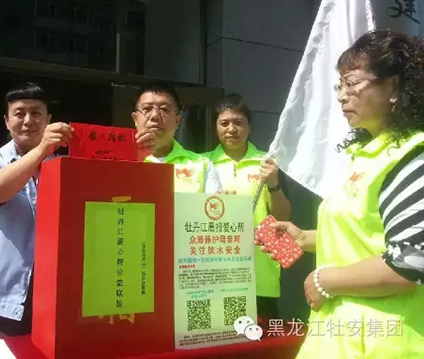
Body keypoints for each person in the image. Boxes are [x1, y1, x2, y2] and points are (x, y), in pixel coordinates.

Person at [259, 30, 424, 358]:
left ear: (393, 87)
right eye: (339, 86)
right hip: (340, 339)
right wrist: (305, 238)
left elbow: (411, 260)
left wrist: (325, 280)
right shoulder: (366, 156)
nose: (341, 96)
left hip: (384, 344)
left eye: (352, 83)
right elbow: (368, 235)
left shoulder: (411, 157)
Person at [0, 83, 73, 339]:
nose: (28, 120)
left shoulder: (65, 167)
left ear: (48, 119)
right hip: (1, 294)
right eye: (19, 113)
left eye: (36, 113)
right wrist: (41, 150)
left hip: (53, 296)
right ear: (6, 121)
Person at [204, 94, 291, 319]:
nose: (231, 129)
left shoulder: (267, 164)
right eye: (224, 123)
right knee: (219, 336)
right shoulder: (203, 164)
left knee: (259, 336)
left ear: (249, 127)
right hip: (214, 271)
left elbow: (283, 217)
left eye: (238, 122)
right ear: (215, 127)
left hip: (259, 272)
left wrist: (273, 183)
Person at [132, 81, 221, 193]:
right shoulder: (119, 163)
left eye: (164, 109)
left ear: (178, 120)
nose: (155, 116)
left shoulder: (202, 165)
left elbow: (213, 204)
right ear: (135, 119)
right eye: (147, 109)